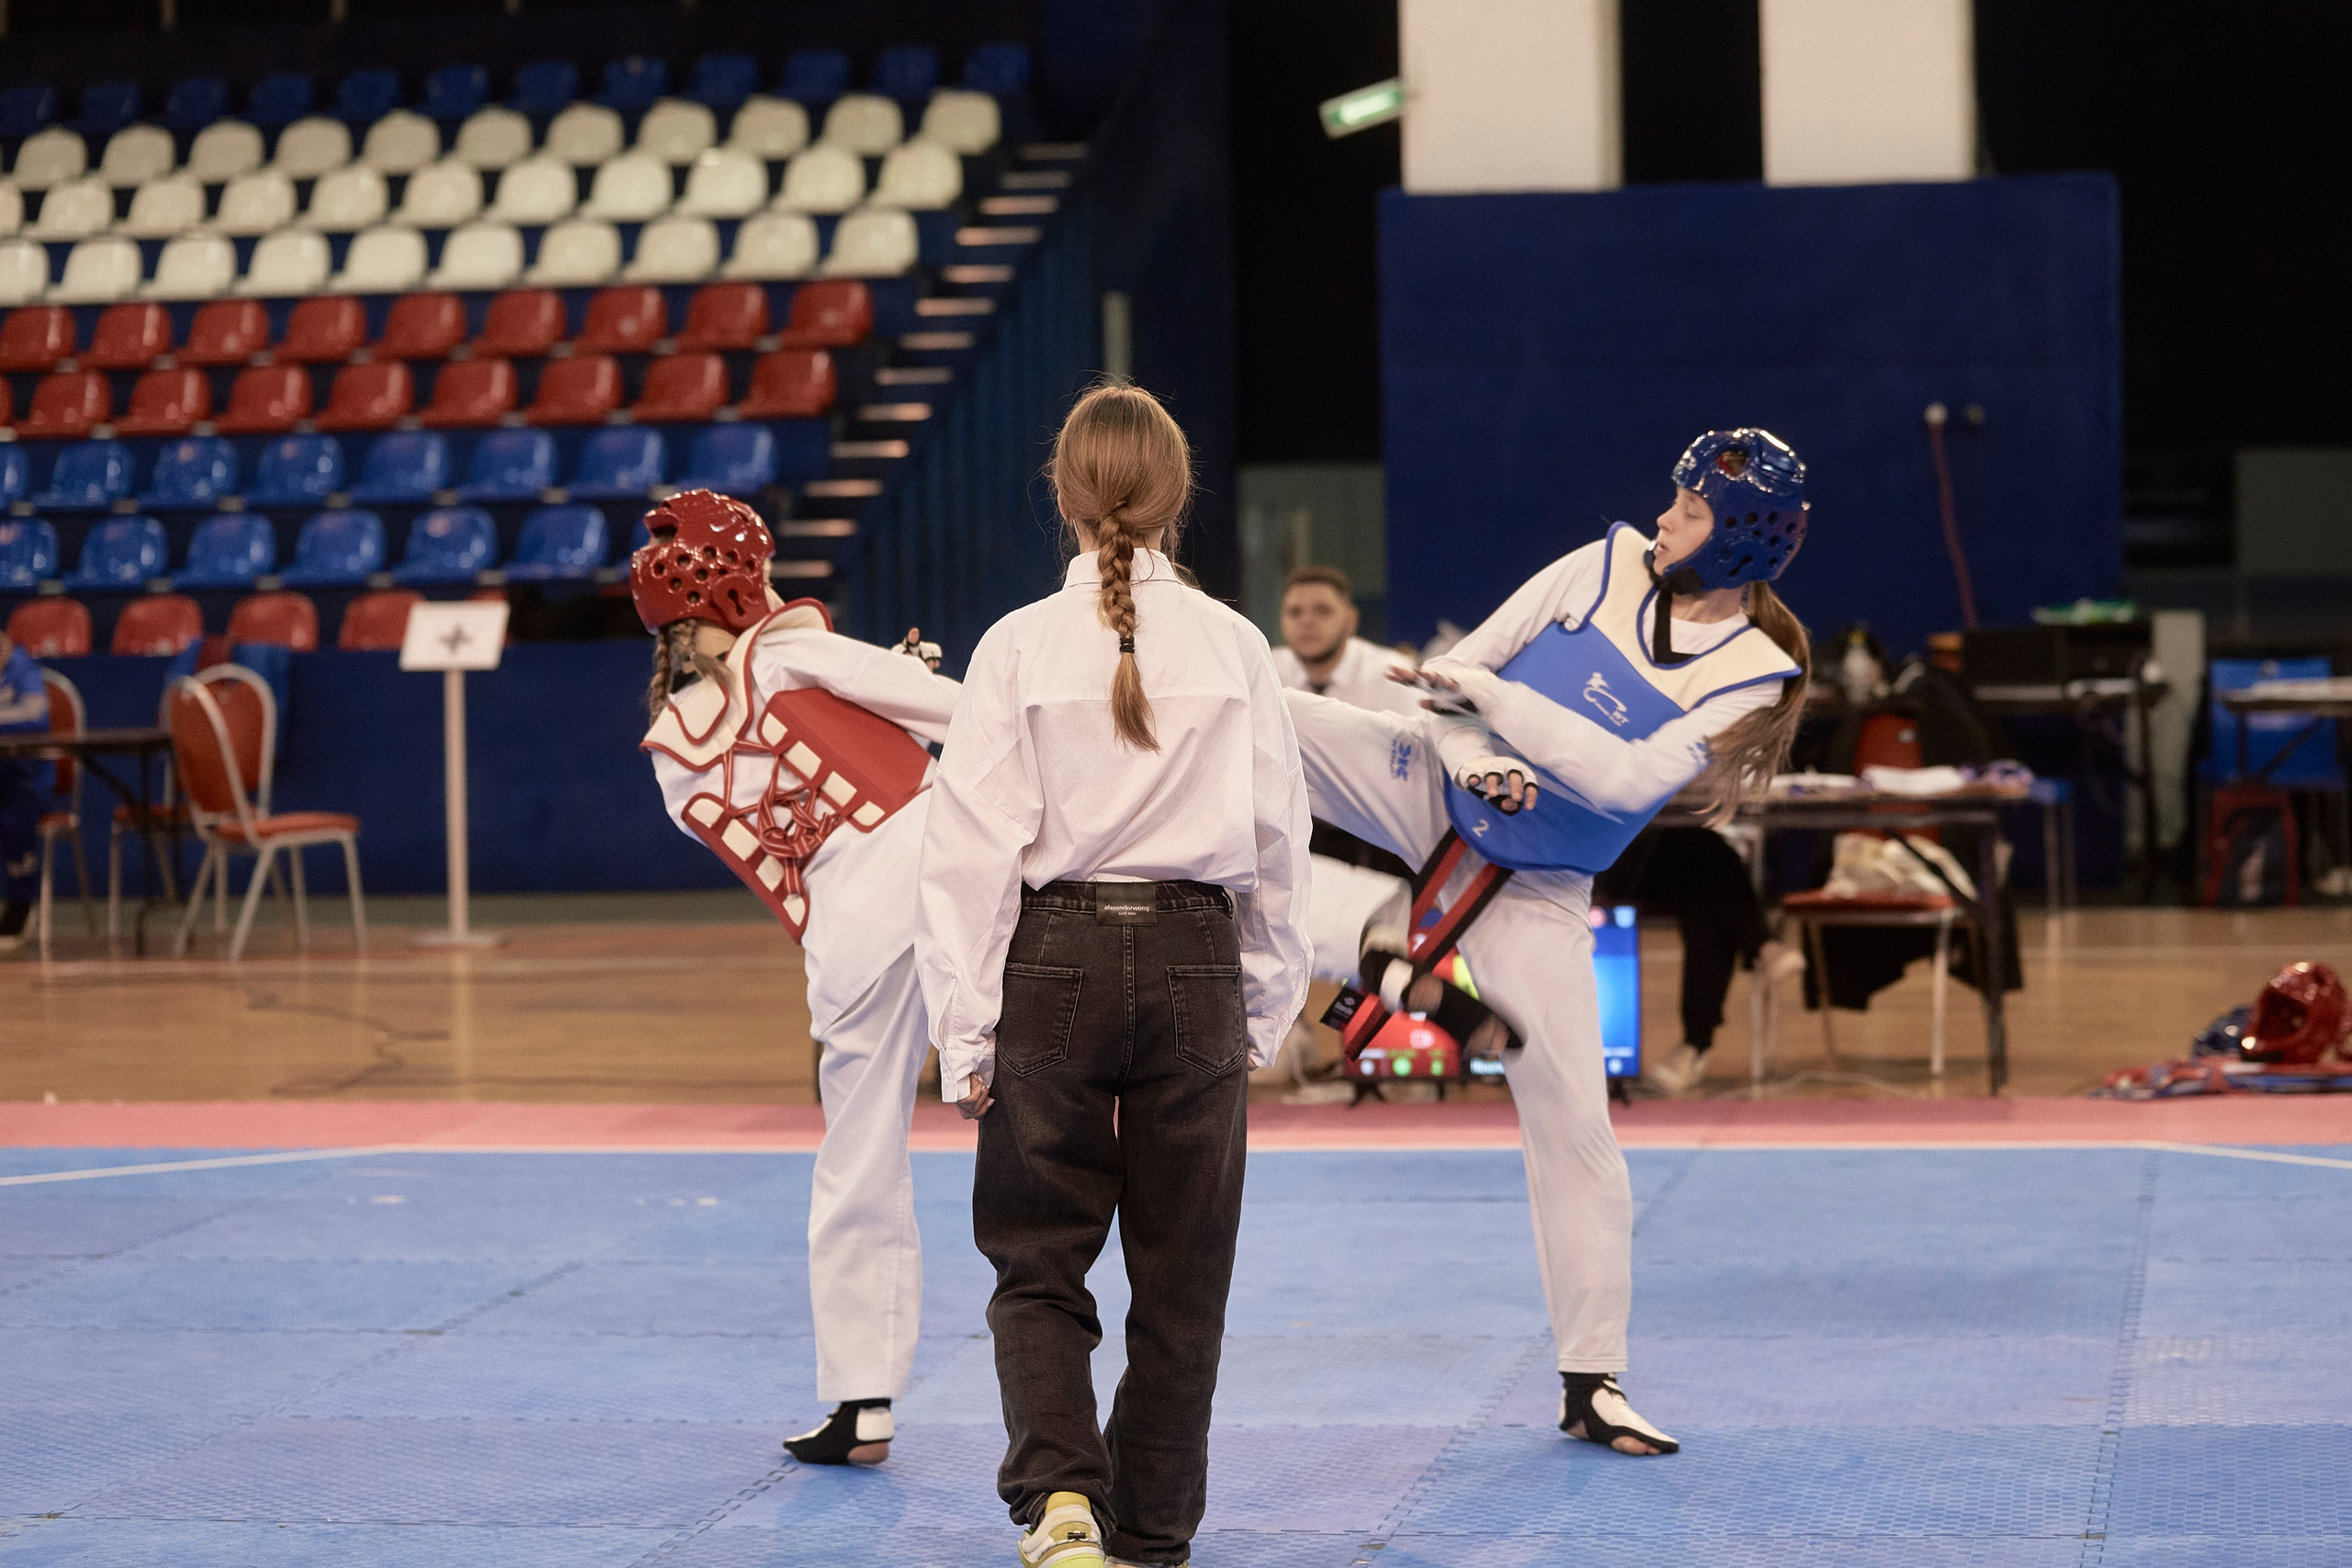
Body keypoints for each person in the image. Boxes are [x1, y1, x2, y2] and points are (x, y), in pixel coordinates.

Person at [1285, 428, 1813, 1457]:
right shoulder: (1600, 560)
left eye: (1690, 510)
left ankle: (1592, 1382)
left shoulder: (1754, 671)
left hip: (1545, 885)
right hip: (1428, 780)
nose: (1664, 518)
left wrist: (1499, 707)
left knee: (1575, 1130)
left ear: (1741, 542)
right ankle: (1365, 939)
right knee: (1256, 716)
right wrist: (1479, 752)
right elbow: (1451, 675)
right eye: (1672, 499)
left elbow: (1623, 782)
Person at [915, 383, 1312, 1568]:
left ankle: (1059, 1501)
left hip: (1053, 957)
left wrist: (965, 1026)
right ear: (1180, 496)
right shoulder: (1237, 645)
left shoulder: (1018, 645)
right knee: (1184, 1277)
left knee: (1037, 1256)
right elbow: (1279, 842)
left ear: (1065, 495)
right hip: (1195, 955)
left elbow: (970, 852)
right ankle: (1152, 1533)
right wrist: (1265, 1003)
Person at [630, 490, 962, 1470]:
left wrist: (867, 693)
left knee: (858, 1161)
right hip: (944, 860)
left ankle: (863, 1404)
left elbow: (778, 800)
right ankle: (1356, 946)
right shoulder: (799, 652)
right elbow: (966, 714)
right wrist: (892, 684)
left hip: (849, 941)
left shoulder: (667, 756)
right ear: (749, 575)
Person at [1271, 566, 1420, 716]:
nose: (1306, 621)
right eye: (1294, 612)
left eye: (1322, 610)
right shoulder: (1266, 672)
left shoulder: (1393, 676)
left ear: (1351, 620)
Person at [0, 627, 51, 953]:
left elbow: (36, 717)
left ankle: (20, 903)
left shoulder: (23, 669)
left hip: (24, 777)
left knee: (11, 822)